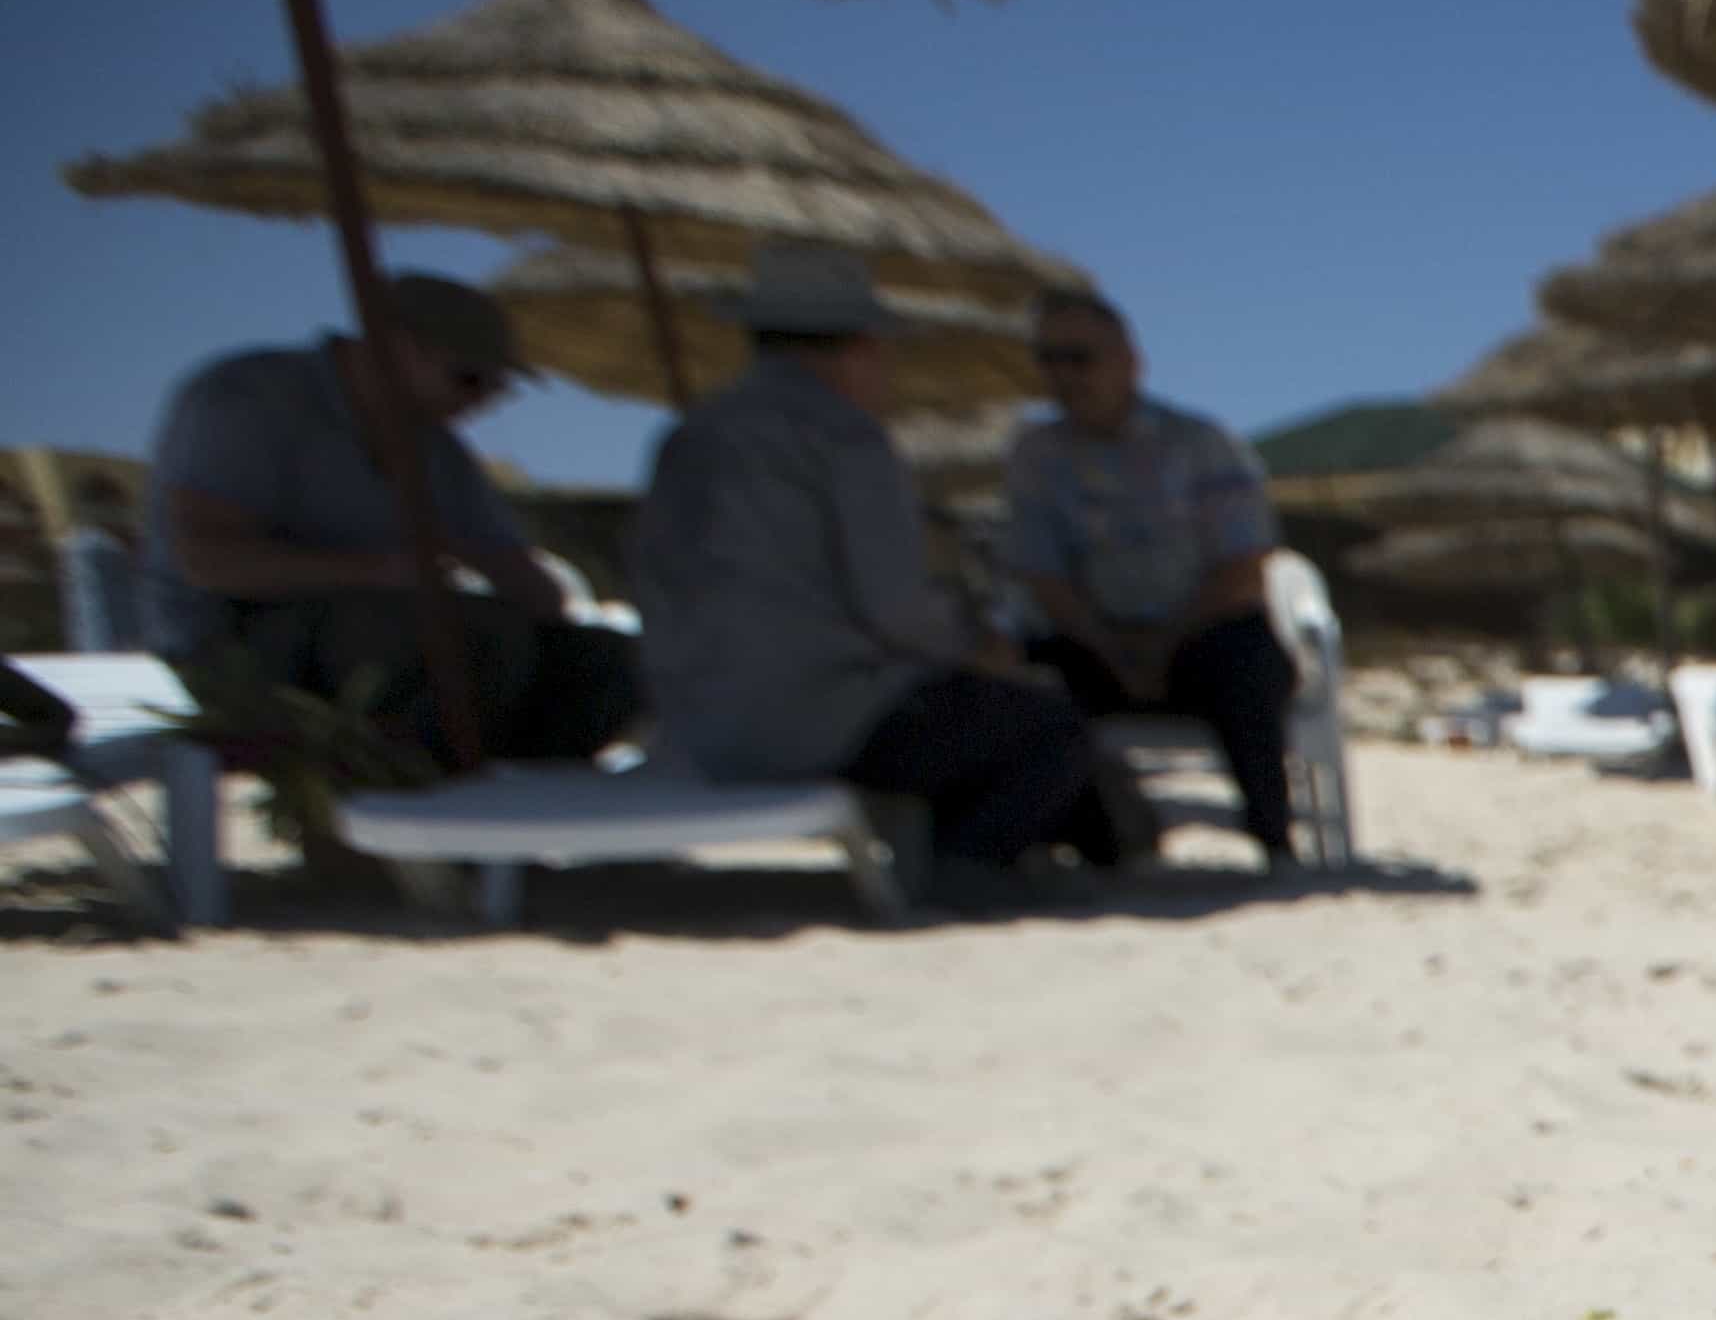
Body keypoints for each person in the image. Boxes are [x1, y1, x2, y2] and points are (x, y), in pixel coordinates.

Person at [629, 240, 1103, 877]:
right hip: (813, 722)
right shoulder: (843, 436)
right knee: (1051, 730)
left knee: (977, 720)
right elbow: (894, 608)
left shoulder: (688, 436)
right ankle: (963, 874)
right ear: (859, 348)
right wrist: (974, 642)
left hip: (697, 728)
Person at [141, 270, 641, 762]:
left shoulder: (436, 449)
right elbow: (209, 561)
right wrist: (382, 571)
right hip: (235, 651)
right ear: (396, 349)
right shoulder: (249, 399)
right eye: (469, 379)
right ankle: (401, 822)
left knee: (609, 664)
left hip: (400, 642)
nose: (484, 402)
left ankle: (532, 820)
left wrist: (525, 584)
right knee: (466, 639)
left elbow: (530, 589)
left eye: (499, 388)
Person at [999, 289, 1301, 860]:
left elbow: (1243, 566)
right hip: (1090, 639)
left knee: (1248, 661)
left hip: (1200, 633)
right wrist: (1112, 647)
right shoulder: (1034, 455)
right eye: (1049, 359)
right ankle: (1079, 842)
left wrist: (1161, 645)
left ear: (1130, 362)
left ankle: (1273, 837)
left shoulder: (1203, 444)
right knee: (1021, 684)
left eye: (1079, 358)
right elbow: (1040, 573)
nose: (1064, 374)